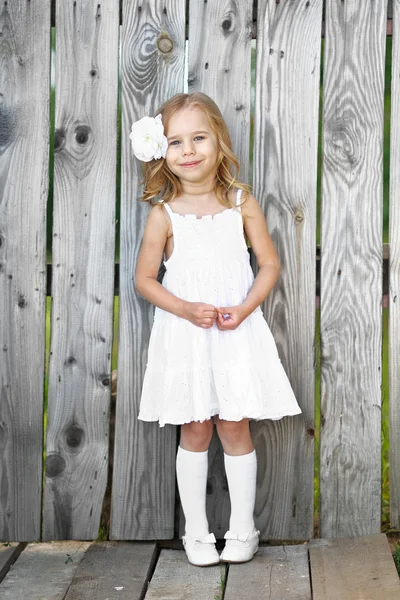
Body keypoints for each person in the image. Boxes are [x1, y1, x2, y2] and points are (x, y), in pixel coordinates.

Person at [131, 92, 302, 567]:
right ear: (161, 153)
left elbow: (268, 264)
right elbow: (145, 280)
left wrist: (246, 308)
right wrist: (185, 308)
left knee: (234, 424)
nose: (188, 150)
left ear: (218, 141)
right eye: (175, 142)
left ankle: (243, 529)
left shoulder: (240, 203)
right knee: (196, 426)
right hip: (186, 336)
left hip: (235, 332)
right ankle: (198, 531)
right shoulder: (163, 215)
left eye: (198, 137)